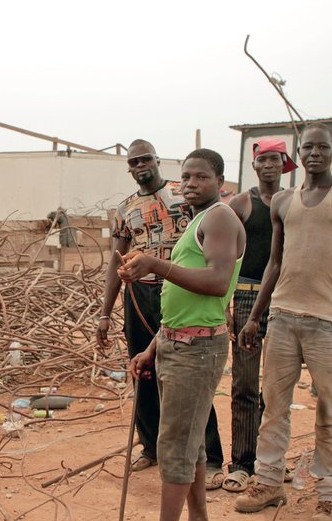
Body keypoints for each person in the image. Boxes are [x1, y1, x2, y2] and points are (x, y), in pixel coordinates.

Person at [234, 123, 332, 521]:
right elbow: (275, 263)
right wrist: (256, 317)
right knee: (274, 406)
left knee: (331, 409)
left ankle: (330, 494)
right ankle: (269, 482)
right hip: (281, 318)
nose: (315, 153)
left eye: (322, 147)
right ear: (299, 151)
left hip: (327, 321)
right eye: (308, 146)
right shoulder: (282, 201)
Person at [123, 148, 245, 521]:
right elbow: (184, 304)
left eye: (201, 177)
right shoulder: (198, 221)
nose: (191, 184)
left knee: (175, 446)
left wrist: (157, 264)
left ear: (220, 183)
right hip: (178, 343)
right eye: (186, 177)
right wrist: (153, 347)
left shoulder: (220, 218)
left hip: (197, 350)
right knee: (189, 445)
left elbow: (218, 281)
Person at [96, 140, 224, 484]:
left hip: (182, 291)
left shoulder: (185, 196)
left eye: (146, 159)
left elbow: (214, 249)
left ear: (157, 160)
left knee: (189, 373)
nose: (141, 165)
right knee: (144, 370)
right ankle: (150, 447)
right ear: (129, 167)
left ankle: (209, 456)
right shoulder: (124, 209)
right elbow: (116, 260)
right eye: (134, 161)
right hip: (140, 294)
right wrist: (105, 313)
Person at [222, 138, 295, 492]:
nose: (269, 165)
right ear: (254, 166)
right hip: (248, 297)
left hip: (284, 300)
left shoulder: (293, 201)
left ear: (285, 164)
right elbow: (222, 249)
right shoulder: (241, 202)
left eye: (275, 159)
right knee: (245, 384)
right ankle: (241, 463)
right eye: (262, 159)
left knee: (278, 387)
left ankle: (271, 463)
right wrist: (224, 301)